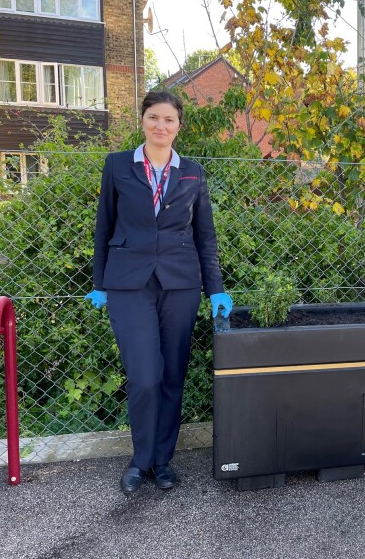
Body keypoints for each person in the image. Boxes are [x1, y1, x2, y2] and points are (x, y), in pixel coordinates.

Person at [84, 91, 233, 494]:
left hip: (180, 284)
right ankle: (140, 460)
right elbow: (104, 226)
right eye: (153, 117)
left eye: (168, 119)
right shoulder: (118, 166)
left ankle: (162, 461)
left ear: (179, 126)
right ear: (142, 120)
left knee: (171, 375)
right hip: (129, 284)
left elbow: (205, 235)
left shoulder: (193, 172)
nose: (160, 126)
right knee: (145, 377)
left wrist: (214, 288)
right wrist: (99, 283)